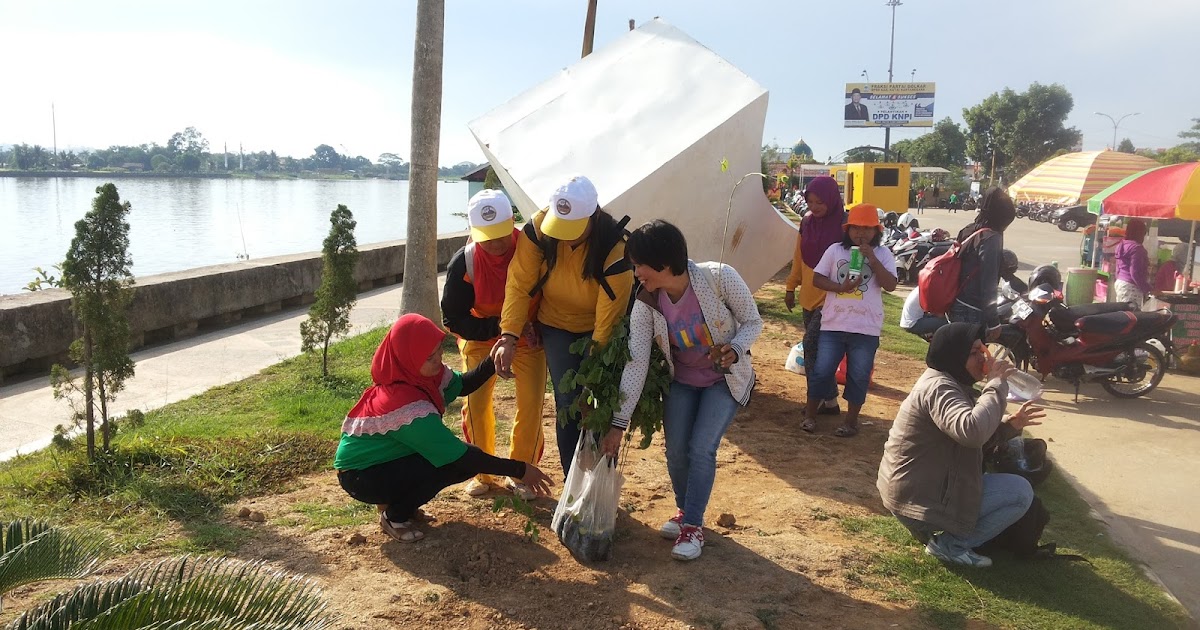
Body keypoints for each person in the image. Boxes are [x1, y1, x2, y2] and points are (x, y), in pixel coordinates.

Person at [611, 220, 762, 561]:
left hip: (724, 380)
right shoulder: (647, 302)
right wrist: (619, 423)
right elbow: (637, 361)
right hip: (682, 380)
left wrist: (735, 348)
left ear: (664, 264)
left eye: (639, 265)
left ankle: (693, 524)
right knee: (676, 451)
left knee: (701, 448)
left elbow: (753, 321)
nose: (636, 273)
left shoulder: (719, 278)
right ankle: (685, 512)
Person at [335, 314, 554, 543]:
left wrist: (492, 361)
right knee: (450, 465)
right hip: (361, 477)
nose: (439, 358)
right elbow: (460, 456)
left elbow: (463, 384)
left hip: (384, 462)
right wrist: (520, 470)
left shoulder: (418, 375)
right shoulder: (404, 404)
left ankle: (401, 506)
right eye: (430, 357)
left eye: (439, 349)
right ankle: (394, 516)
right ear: (408, 358)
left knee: (452, 462)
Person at [491, 175, 634, 476]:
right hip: (555, 324)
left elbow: (608, 322)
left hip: (598, 328)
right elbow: (518, 284)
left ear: (593, 216)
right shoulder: (538, 231)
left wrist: (593, 375)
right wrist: (509, 335)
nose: (565, 237)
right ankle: (573, 481)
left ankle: (598, 480)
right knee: (567, 402)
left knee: (594, 403)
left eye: (574, 230)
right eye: (561, 227)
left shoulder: (616, 250)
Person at [877, 323, 1046, 567]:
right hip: (915, 503)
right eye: (974, 352)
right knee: (1019, 492)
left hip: (916, 496)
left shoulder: (948, 382)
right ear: (955, 356)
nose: (983, 357)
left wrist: (1010, 425)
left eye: (982, 350)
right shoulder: (940, 388)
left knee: (1012, 488)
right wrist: (995, 384)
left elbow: (972, 436)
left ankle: (940, 532)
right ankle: (950, 546)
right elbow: (972, 432)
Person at [441, 189, 548, 500]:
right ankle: (484, 474)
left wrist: (534, 327)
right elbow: (453, 318)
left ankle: (520, 472)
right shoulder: (465, 262)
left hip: (528, 340)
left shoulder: (532, 250)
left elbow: (551, 294)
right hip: (480, 339)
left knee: (530, 404)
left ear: (511, 224)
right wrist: (499, 329)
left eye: (502, 234)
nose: (496, 244)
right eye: (487, 237)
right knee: (475, 406)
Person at [802, 204, 898, 437]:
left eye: (867, 229)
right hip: (833, 324)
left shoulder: (883, 254)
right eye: (855, 228)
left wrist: (872, 259)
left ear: (877, 231)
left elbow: (891, 285)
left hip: (866, 328)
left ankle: (851, 422)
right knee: (822, 371)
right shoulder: (836, 250)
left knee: (859, 375)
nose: (861, 233)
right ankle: (809, 416)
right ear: (848, 229)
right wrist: (839, 287)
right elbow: (817, 278)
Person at [784, 176, 848, 419]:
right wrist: (791, 287)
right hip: (809, 297)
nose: (814, 207)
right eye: (810, 201)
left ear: (831, 200)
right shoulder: (807, 223)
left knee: (811, 347)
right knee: (819, 352)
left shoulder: (844, 224)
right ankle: (830, 401)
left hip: (833, 298)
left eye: (820, 202)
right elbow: (799, 258)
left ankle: (817, 398)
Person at [948, 187, 1017, 326]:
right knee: (972, 348)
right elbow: (988, 283)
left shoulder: (969, 229)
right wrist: (993, 322)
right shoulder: (991, 238)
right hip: (972, 310)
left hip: (956, 302)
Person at [1114, 219, 1152, 304]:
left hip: (1120, 283)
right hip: (1131, 287)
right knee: (1132, 315)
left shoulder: (1121, 245)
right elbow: (1135, 273)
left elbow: (1117, 269)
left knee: (1122, 313)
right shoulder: (1137, 249)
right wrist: (1147, 289)